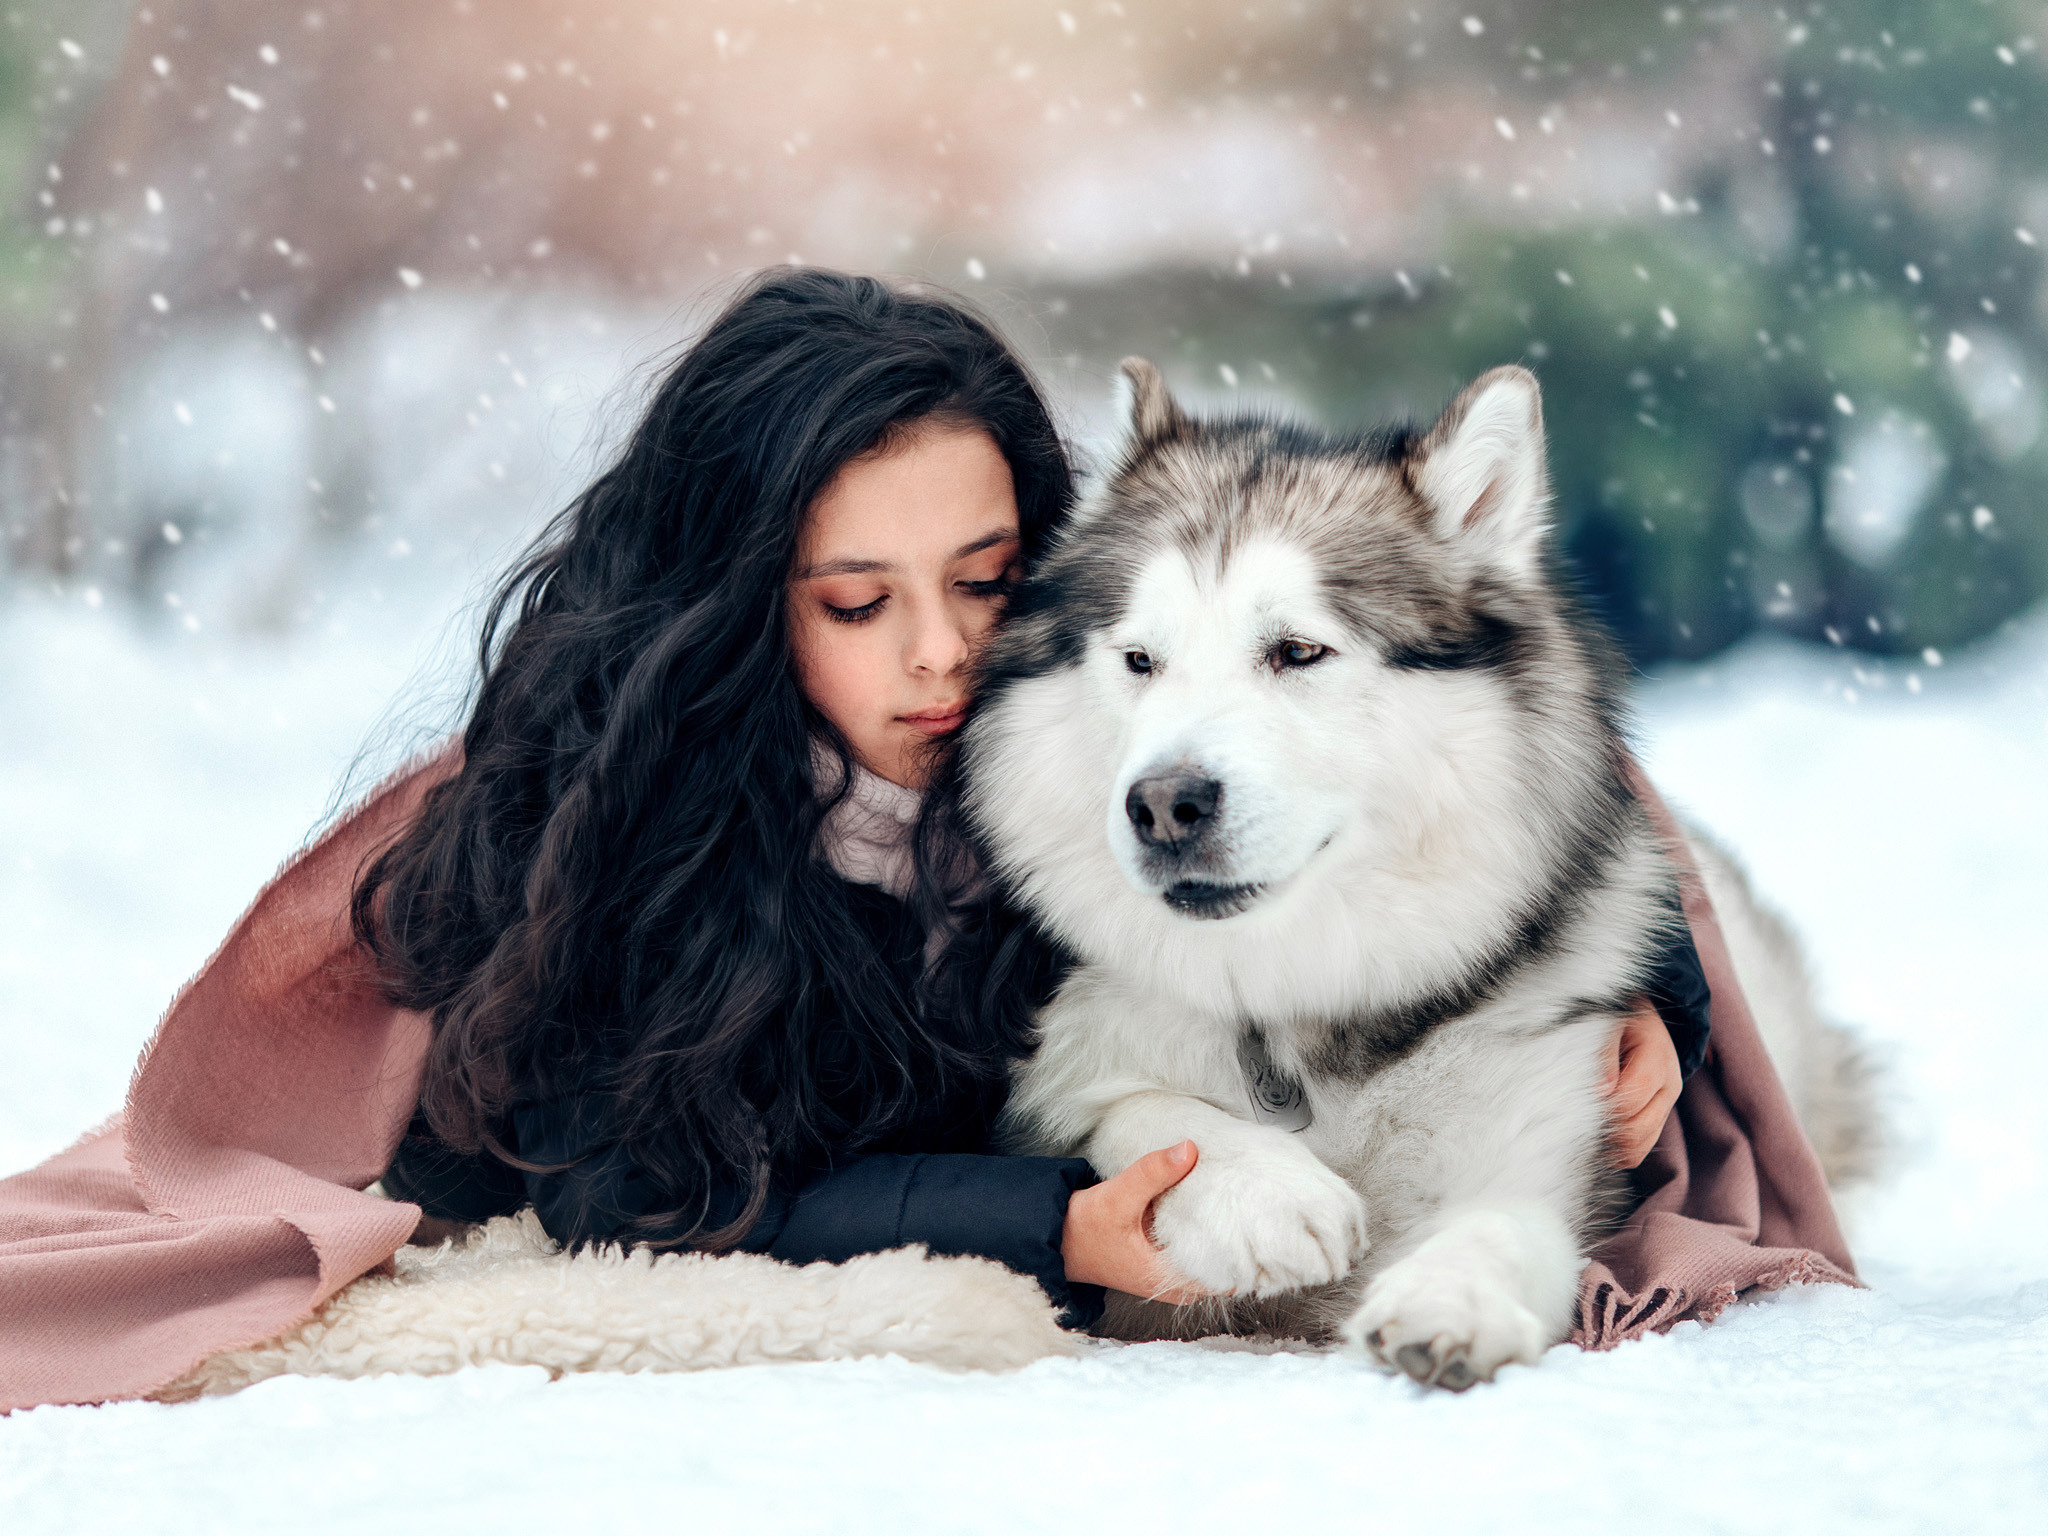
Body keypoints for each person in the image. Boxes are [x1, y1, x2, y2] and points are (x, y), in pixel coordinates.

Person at [355, 267, 1699, 1331]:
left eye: (989, 580)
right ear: (739, 613)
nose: (942, 653)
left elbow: (1505, 786)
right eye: (858, 602)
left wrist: (1650, 1009)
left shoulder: (1085, 706)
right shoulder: (639, 826)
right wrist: (1047, 1220)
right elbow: (632, 1191)